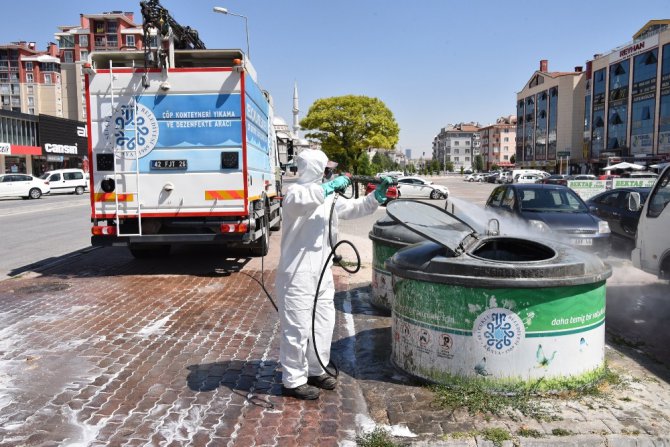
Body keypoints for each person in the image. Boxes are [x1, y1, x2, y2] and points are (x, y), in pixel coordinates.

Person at [275, 149, 392, 400]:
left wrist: (376, 196)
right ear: (316, 169)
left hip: (322, 271)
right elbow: (305, 200)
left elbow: (355, 208)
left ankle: (316, 368)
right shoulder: (297, 193)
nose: (330, 172)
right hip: (297, 274)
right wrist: (329, 187)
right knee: (297, 327)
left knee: (323, 322)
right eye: (326, 168)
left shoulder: (328, 198)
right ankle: (293, 380)